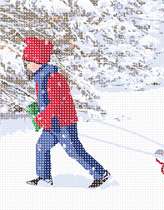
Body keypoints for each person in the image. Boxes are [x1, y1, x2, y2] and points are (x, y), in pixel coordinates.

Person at [23, 37, 110, 188]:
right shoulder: (40, 79)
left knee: (74, 151)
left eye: (28, 62)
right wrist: (37, 109)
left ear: (38, 61)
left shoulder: (53, 78)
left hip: (64, 122)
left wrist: (42, 117)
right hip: (52, 123)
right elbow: (47, 101)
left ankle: (101, 174)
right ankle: (44, 178)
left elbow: (58, 102)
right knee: (41, 147)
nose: (27, 66)